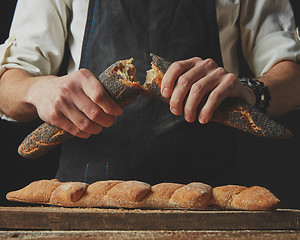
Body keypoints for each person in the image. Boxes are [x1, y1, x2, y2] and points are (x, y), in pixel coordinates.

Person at [0, 0, 300, 187]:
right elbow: (7, 85)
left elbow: (293, 75)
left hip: (208, 199)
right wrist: (35, 88)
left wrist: (249, 91)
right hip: (86, 195)